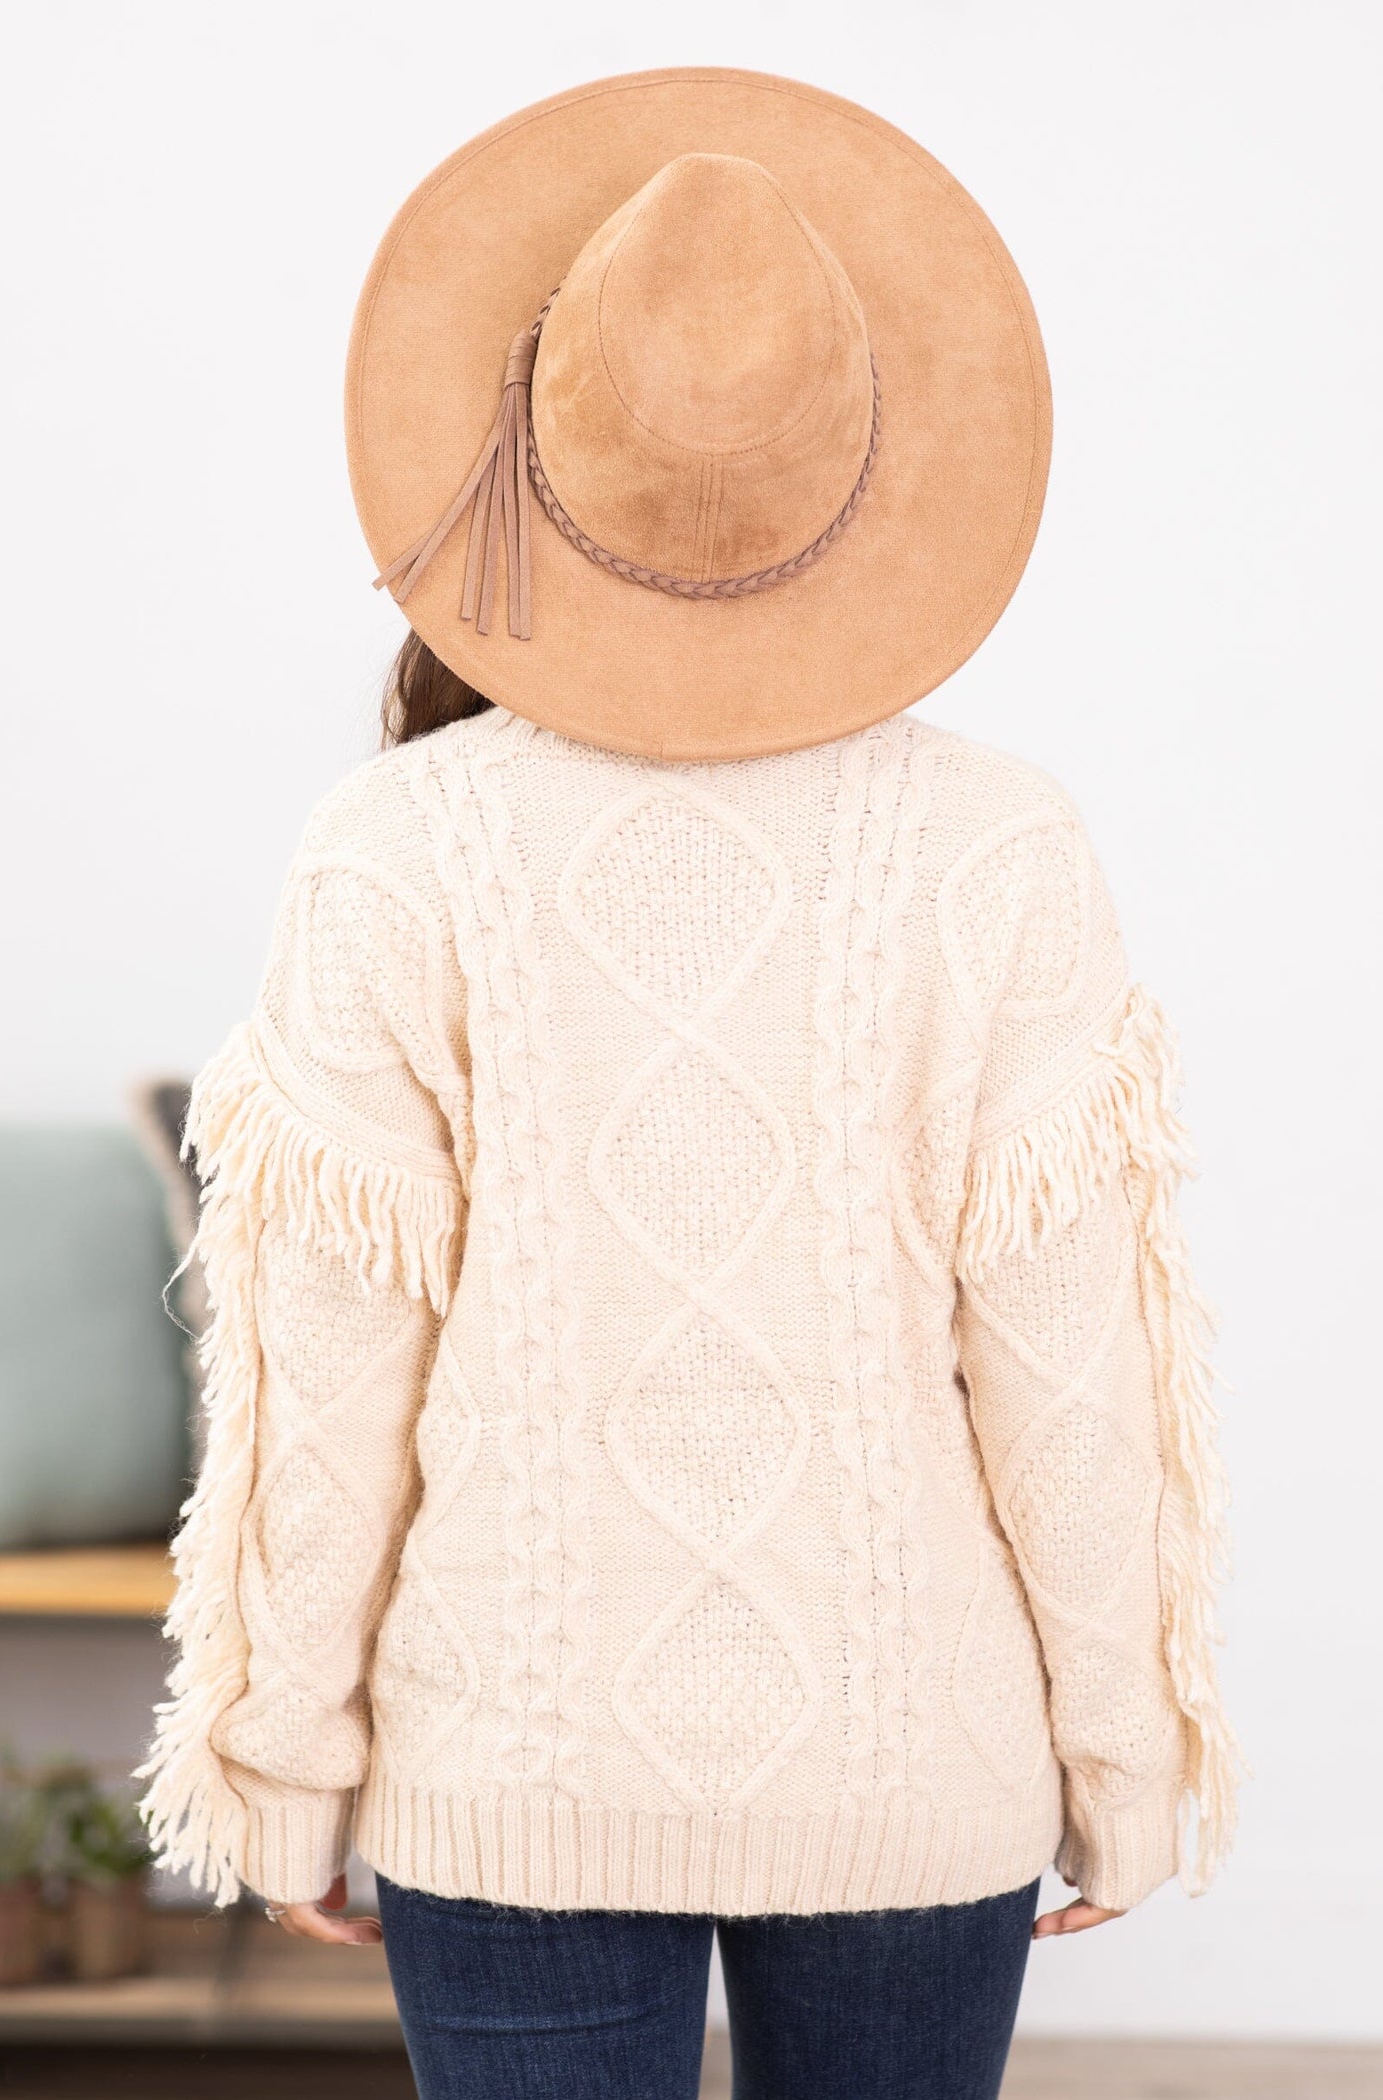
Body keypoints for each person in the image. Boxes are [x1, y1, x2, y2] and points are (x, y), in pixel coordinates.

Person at [138, 68, 1240, 2100]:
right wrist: (1121, 1754)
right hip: (913, 1771)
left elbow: (325, 1370)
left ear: (521, 443)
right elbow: (1069, 1367)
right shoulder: (999, 848)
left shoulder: (395, 848)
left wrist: (283, 1767)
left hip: (510, 1764)